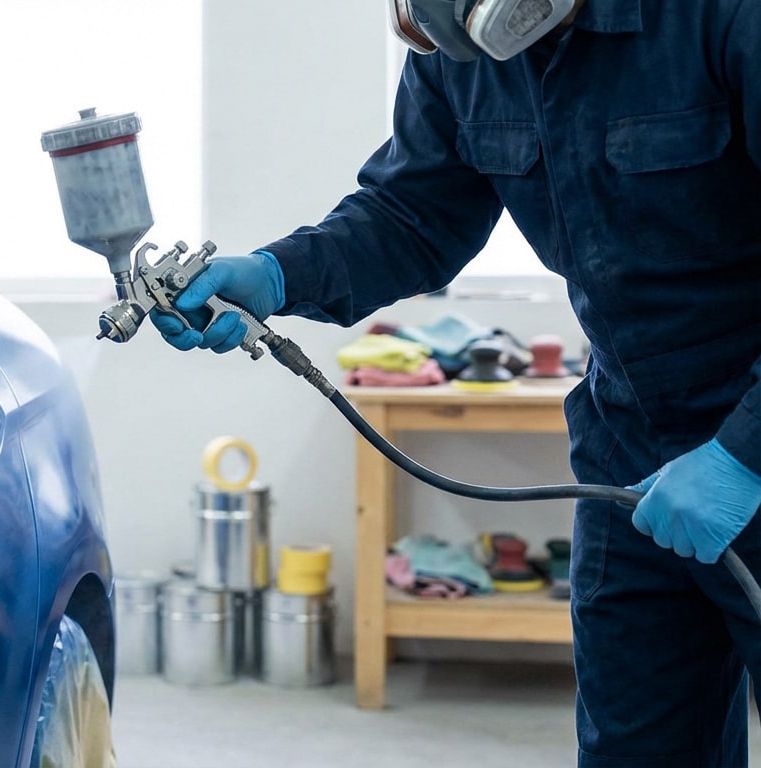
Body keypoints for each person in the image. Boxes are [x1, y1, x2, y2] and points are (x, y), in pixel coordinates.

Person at [153, 0, 761, 764]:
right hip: (629, 460)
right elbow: (411, 215)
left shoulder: (722, 16)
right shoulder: (463, 52)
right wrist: (277, 275)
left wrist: (743, 452)